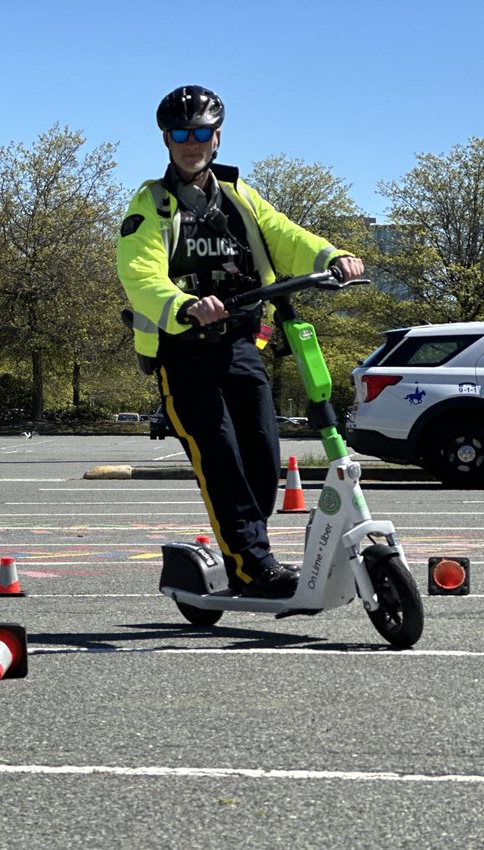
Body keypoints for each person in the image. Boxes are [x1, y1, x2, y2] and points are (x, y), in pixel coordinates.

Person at [116, 85, 364, 599]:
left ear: (216, 137)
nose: (191, 142)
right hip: (182, 351)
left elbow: (286, 235)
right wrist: (183, 305)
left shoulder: (238, 196)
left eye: (201, 132)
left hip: (241, 345)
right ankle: (254, 567)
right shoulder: (150, 205)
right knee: (220, 456)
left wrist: (330, 258)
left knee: (260, 456)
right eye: (181, 133)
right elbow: (139, 272)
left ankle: (248, 557)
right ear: (165, 139)